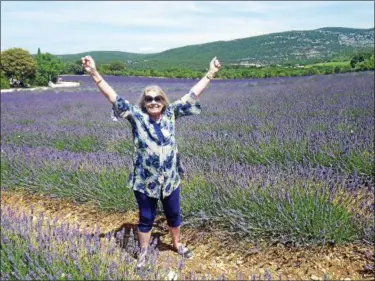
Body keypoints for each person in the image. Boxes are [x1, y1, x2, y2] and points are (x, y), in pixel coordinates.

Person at [81, 55, 221, 268]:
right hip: (145, 181)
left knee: (174, 214)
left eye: (157, 98)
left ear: (164, 101)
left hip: (170, 179)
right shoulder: (137, 117)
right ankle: (144, 252)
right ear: (144, 103)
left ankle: (177, 244)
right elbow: (113, 97)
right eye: (149, 99)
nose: (153, 101)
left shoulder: (172, 113)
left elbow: (193, 94)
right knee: (146, 217)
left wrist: (211, 73)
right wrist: (94, 73)